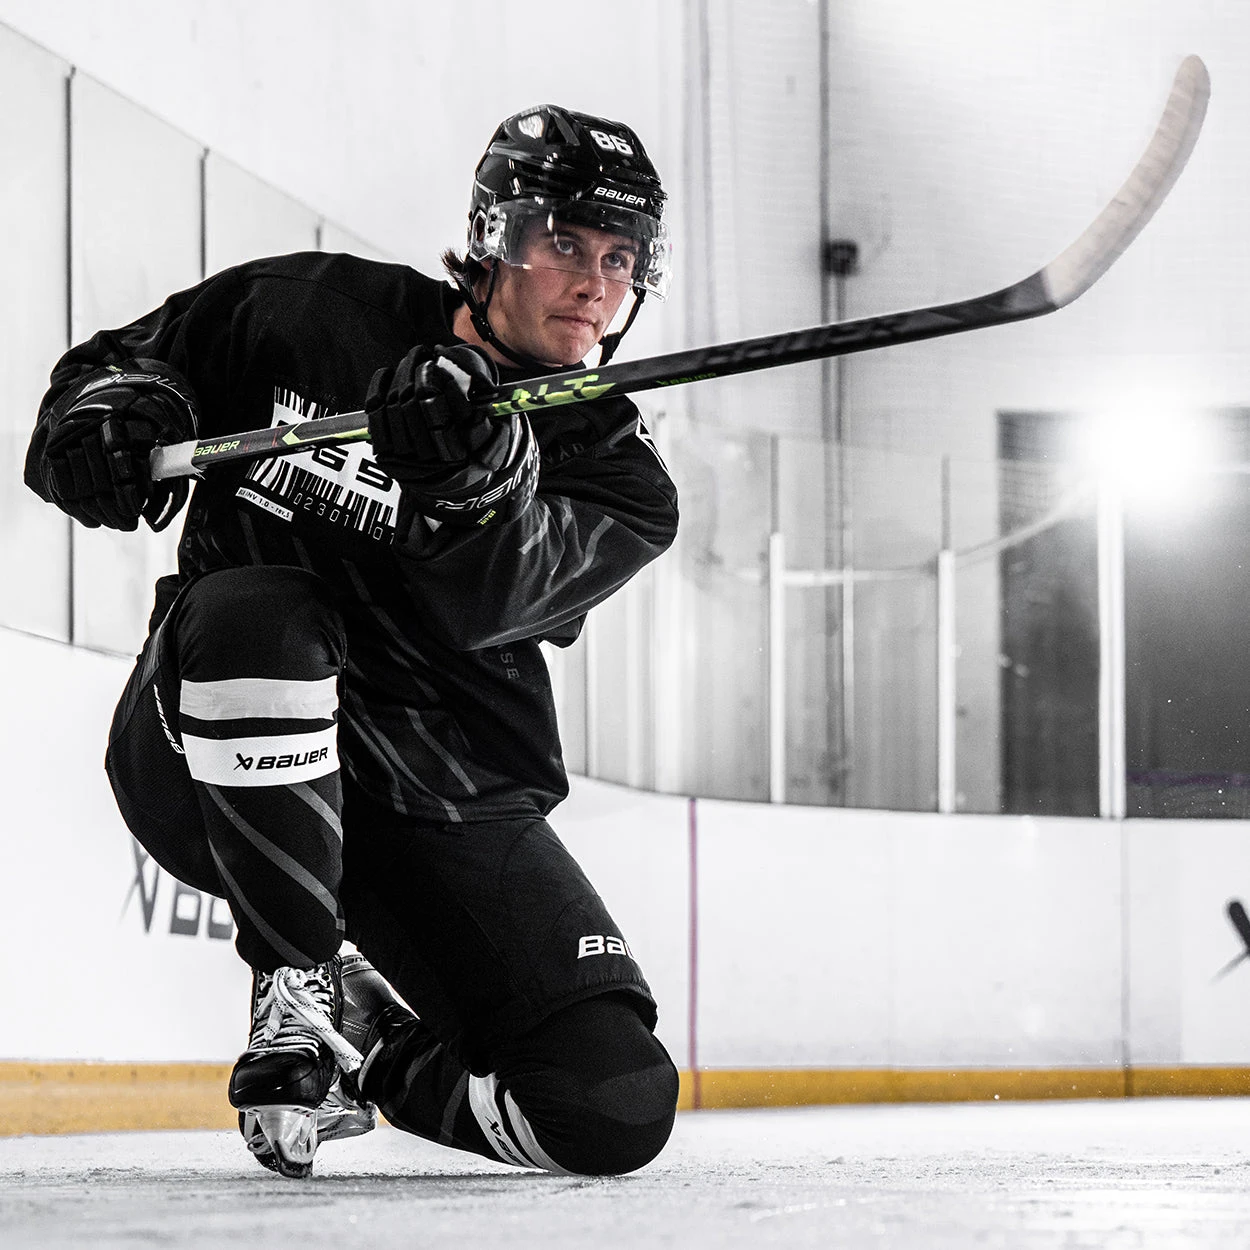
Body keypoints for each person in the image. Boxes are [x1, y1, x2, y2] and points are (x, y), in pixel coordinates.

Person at [24, 105, 681, 1179]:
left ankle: (361, 1044)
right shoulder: (301, 312)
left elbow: (497, 595)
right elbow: (117, 369)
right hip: (211, 760)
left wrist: (472, 477)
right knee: (261, 609)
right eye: (564, 242)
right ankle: (294, 982)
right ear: (493, 239)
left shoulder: (616, 469)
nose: (594, 284)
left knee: (612, 1104)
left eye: (620, 257)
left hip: (435, 792)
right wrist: (111, 421)